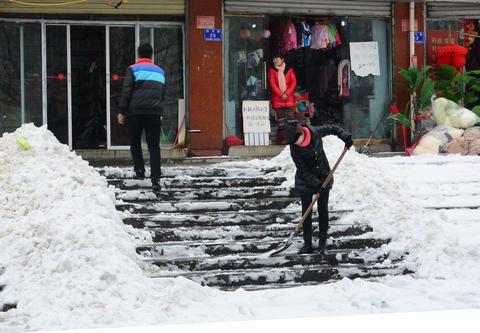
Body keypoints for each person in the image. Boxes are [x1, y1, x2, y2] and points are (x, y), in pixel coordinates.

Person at [286, 120, 353, 254]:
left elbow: (333, 127)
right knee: (307, 212)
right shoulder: (294, 147)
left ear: (302, 134)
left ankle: (322, 242)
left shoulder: (315, 132)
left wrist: (345, 136)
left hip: (324, 176)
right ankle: (307, 244)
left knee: (323, 210)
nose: (296, 144)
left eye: (297, 140)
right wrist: (316, 184)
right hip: (305, 181)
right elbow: (303, 169)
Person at [117, 43, 165, 192]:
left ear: (138, 55)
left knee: (135, 141)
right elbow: (162, 93)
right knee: (154, 146)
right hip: (154, 113)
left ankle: (139, 171)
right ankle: (156, 178)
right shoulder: (160, 72)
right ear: (151, 56)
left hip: (135, 113)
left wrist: (121, 111)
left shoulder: (133, 69)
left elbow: (127, 91)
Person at [268, 53, 298, 145]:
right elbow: (272, 84)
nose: (275, 60)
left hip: (289, 99)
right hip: (278, 100)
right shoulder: (272, 70)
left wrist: (287, 93)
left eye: (277, 58)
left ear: (282, 59)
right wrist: (281, 94)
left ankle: (292, 138)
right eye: (274, 58)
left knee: (291, 120)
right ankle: (284, 140)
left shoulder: (289, 69)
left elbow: (294, 82)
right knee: (281, 122)